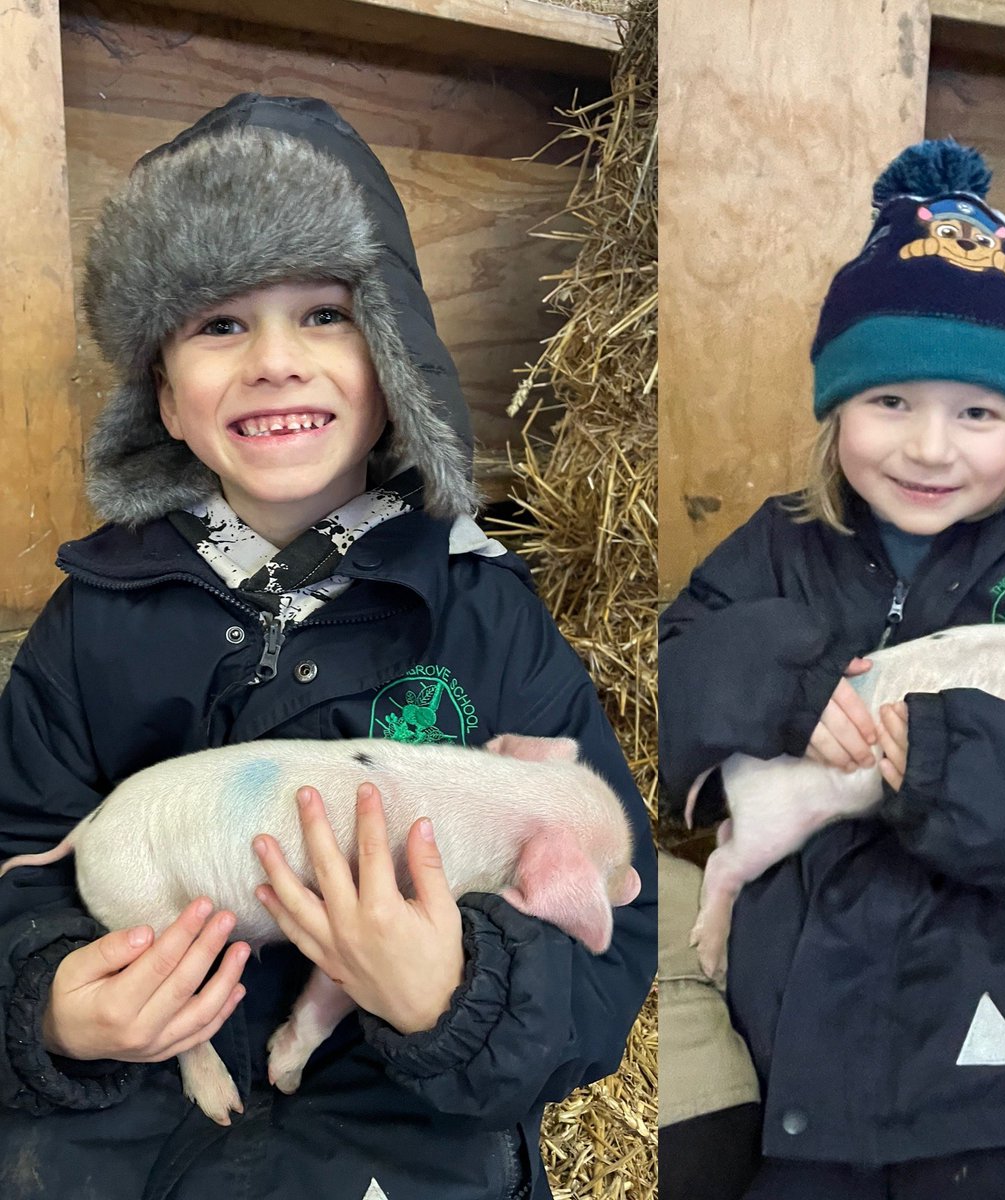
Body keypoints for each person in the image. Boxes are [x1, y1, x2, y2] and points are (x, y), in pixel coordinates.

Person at [0, 93, 656, 1200]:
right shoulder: (90, 626)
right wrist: (50, 1007)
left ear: (395, 357)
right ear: (164, 394)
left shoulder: (482, 615)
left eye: (322, 314)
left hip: (400, 1142)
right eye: (218, 323)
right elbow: (16, 857)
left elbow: (607, 932)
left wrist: (459, 993)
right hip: (127, 1144)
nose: (272, 362)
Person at [658, 139, 1005, 1200]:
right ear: (836, 407)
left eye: (977, 413)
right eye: (890, 401)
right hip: (816, 987)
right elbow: (678, 665)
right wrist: (800, 695)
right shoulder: (776, 547)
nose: (931, 448)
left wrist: (936, 756)